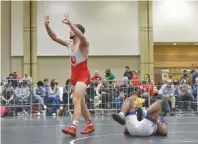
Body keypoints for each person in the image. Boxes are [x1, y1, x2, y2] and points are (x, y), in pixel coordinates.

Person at [44, 15, 95, 137]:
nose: (69, 31)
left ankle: (73, 126)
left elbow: (82, 36)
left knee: (76, 100)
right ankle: (89, 125)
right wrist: (47, 26)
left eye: (71, 30)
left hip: (83, 75)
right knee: (81, 102)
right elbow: (54, 37)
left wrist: (71, 24)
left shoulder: (83, 44)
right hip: (74, 75)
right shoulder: (69, 43)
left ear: (77, 32)